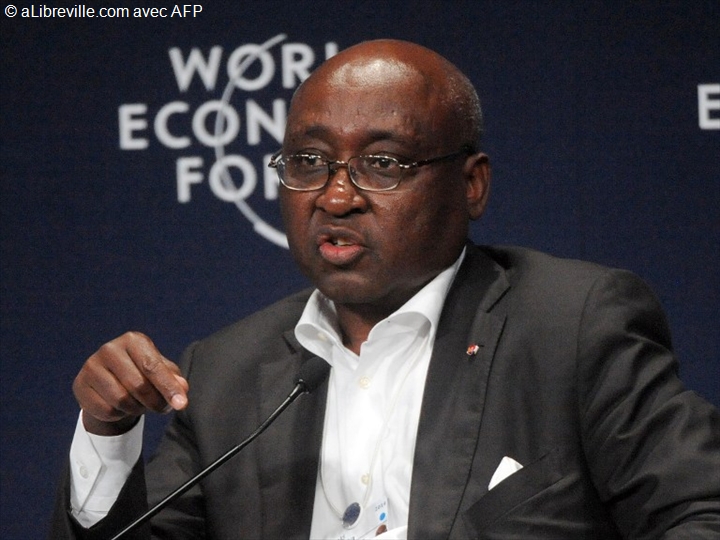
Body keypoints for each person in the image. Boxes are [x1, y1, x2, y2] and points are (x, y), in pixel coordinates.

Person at [51, 39, 720, 539]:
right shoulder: (226, 371)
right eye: (309, 161)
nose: (336, 196)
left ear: (472, 185)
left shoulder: (570, 327)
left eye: (383, 164)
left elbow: (699, 511)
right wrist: (108, 433)